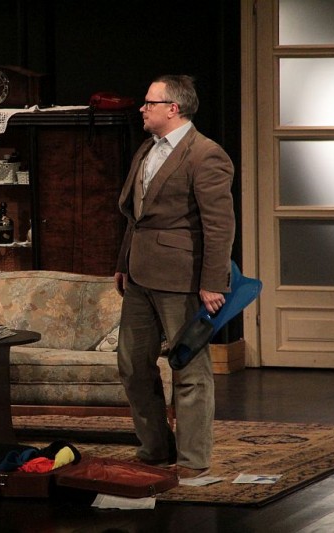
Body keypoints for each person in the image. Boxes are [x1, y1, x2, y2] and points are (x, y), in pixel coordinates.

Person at [114, 74, 235, 480]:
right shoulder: (147, 149)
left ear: (173, 108)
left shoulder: (205, 154)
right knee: (133, 365)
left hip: (182, 278)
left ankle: (193, 460)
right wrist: (123, 262)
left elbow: (220, 225)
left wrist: (213, 282)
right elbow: (136, 215)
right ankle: (155, 449)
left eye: (150, 102)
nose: (142, 108)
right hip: (139, 275)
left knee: (189, 369)